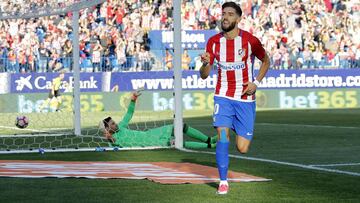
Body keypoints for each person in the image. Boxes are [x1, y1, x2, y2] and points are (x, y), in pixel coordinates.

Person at [200, 2, 270, 195]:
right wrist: (205, 64)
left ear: (238, 19)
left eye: (230, 14)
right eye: (223, 14)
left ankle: (233, 134)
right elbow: (204, 75)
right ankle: (223, 182)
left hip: (245, 98)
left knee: (242, 148)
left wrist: (256, 82)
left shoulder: (250, 41)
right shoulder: (213, 42)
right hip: (222, 95)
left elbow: (266, 60)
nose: (225, 17)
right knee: (223, 136)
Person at [99, 90, 217, 149]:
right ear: (108, 129)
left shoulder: (121, 126)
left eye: (114, 122)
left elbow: (129, 114)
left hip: (151, 134)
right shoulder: (114, 140)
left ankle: (208, 139)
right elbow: (113, 143)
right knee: (178, 143)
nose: (115, 125)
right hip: (151, 143)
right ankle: (210, 146)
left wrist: (133, 100)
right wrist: (109, 138)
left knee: (179, 126)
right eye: (112, 125)